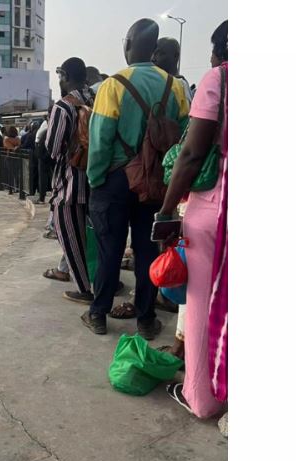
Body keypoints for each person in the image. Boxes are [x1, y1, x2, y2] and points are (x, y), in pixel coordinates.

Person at [82, 18, 189, 338]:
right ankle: (145, 319)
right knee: (147, 250)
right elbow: (184, 139)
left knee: (109, 250)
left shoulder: (113, 85)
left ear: (128, 44)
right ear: (154, 48)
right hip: (156, 182)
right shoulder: (176, 87)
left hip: (115, 180)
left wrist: (95, 179)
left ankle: (99, 314)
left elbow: (99, 141)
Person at [157, 21, 228, 419]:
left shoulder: (220, 79)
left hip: (216, 211)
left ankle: (202, 397)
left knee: (201, 304)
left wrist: (166, 213)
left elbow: (190, 154)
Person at [42, 57, 96, 302]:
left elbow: (53, 149)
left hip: (70, 183)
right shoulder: (96, 99)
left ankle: (84, 289)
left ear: (65, 76)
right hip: (98, 180)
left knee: (70, 237)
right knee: (98, 237)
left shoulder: (63, 107)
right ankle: (107, 281)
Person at [152, 37, 194, 104]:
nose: (153, 59)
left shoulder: (181, 85)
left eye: (159, 54)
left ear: (175, 56)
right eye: (153, 54)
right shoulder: (157, 83)